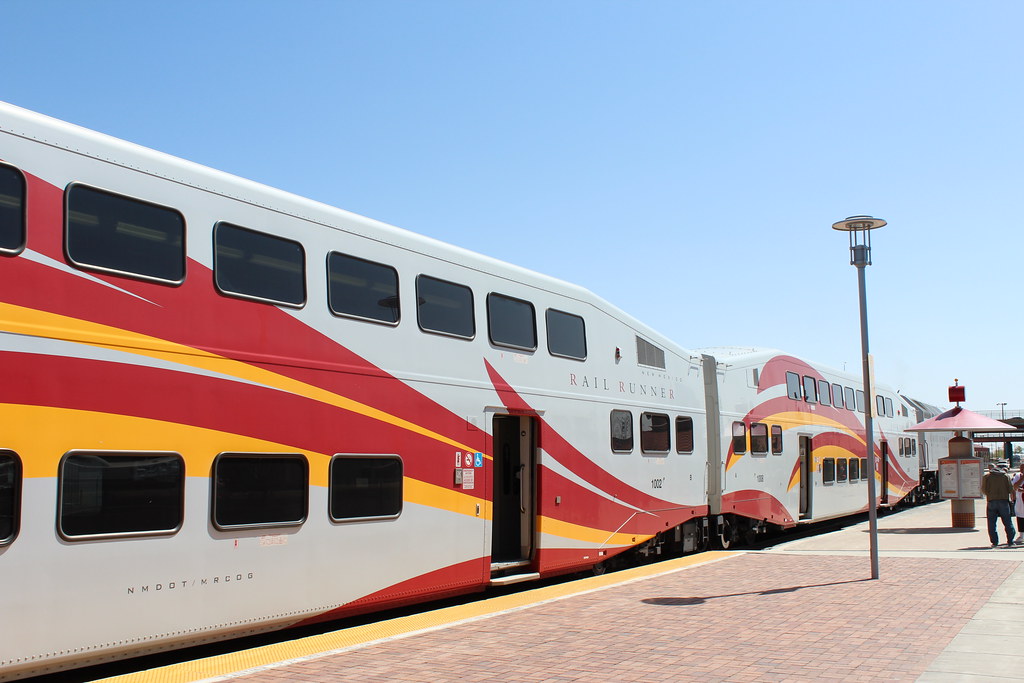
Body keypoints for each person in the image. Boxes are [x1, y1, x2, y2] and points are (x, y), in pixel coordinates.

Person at [981, 463, 1015, 548]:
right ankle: (1010, 541)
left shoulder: (987, 477)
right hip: (1004, 501)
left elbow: (983, 489)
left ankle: (994, 542)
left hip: (991, 501)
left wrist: (990, 494)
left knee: (991, 523)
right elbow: (1010, 489)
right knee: (1007, 522)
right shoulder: (1005, 476)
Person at [1012, 463, 1024, 545]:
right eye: (1021, 468)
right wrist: (1022, 478)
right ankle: (1021, 536)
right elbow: (1014, 487)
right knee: (1020, 517)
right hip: (1020, 501)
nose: (1022, 469)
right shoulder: (1017, 476)